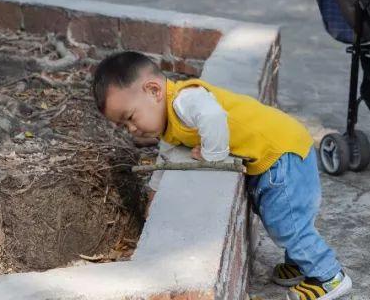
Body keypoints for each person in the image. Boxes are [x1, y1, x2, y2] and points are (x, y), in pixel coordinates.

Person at [92, 51, 351, 300]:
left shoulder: (185, 100)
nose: (131, 129)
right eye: (124, 126)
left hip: (281, 153)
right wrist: (154, 193)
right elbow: (167, 155)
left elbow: (213, 115)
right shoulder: (169, 123)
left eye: (130, 118)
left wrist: (212, 154)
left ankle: (328, 276)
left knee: (287, 223)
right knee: (284, 218)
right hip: (278, 151)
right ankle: (300, 263)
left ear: (154, 91)